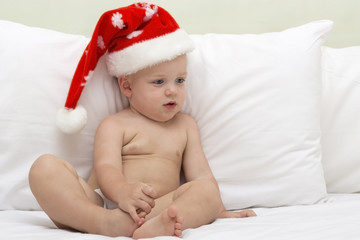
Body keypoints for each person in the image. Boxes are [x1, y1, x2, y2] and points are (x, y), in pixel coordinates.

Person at [29, 3, 256, 239]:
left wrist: (217, 209)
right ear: (127, 86)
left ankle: (145, 227)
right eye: (159, 82)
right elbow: (107, 168)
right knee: (44, 167)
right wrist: (122, 192)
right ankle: (102, 223)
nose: (172, 91)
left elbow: (201, 176)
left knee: (206, 191)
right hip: (104, 204)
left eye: (179, 80)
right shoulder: (115, 124)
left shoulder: (185, 126)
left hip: (156, 208)